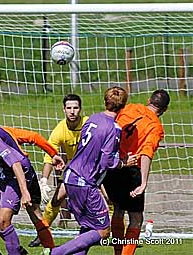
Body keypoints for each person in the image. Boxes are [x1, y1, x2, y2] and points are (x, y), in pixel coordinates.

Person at [0, 101, 64, 255]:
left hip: (19, 175)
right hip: (1, 174)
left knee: (7, 219)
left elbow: (15, 163)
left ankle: (51, 251)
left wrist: (24, 191)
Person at [50, 86, 129, 255]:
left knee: (87, 226)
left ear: (105, 101)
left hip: (70, 175)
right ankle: (56, 252)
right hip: (84, 182)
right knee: (102, 230)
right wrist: (124, 162)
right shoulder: (114, 129)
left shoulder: (92, 119)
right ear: (123, 106)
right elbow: (108, 161)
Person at [103, 89, 170, 255]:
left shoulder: (131, 107)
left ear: (148, 99)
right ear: (165, 109)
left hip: (114, 165)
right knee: (136, 218)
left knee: (118, 210)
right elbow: (146, 152)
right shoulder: (155, 126)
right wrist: (144, 183)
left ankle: (117, 252)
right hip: (131, 170)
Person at [29, 94, 89, 247]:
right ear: (64, 110)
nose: (72, 111)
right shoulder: (60, 130)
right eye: (69, 108)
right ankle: (43, 234)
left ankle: (113, 235)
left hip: (94, 169)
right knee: (56, 199)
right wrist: (43, 180)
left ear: (80, 109)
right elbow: (50, 154)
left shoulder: (89, 123)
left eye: (75, 107)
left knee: (108, 200)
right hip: (75, 170)